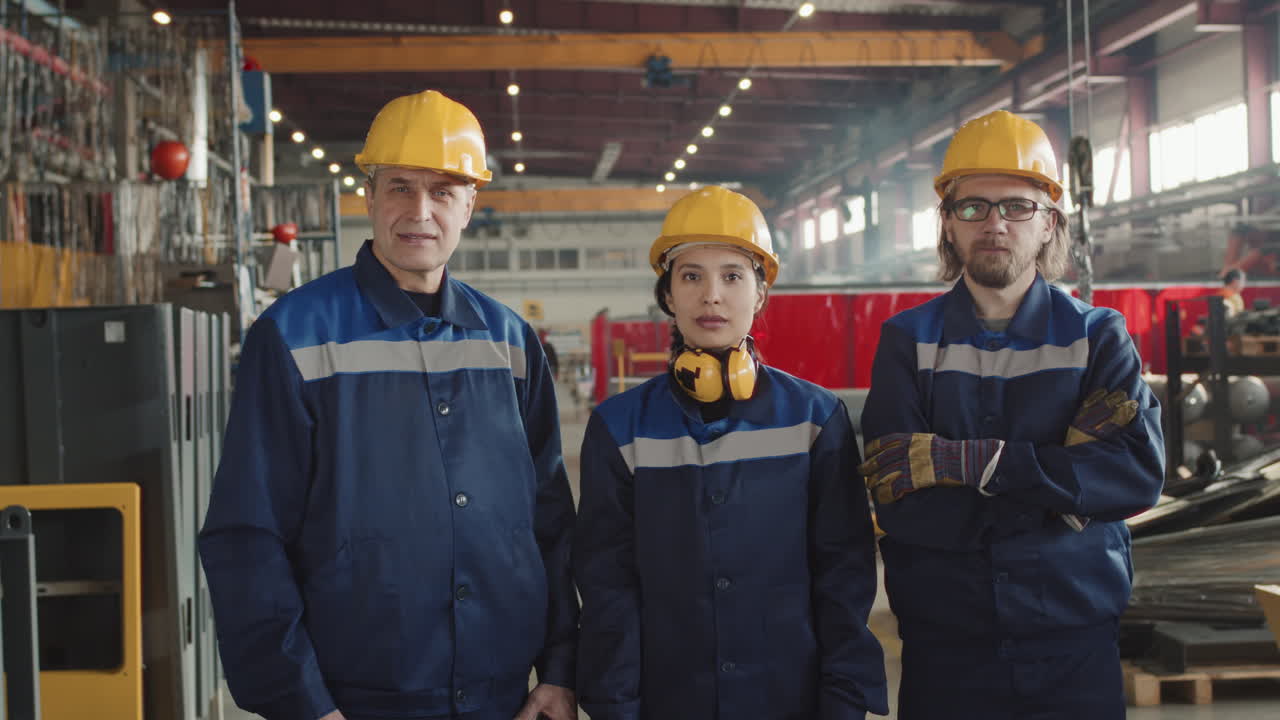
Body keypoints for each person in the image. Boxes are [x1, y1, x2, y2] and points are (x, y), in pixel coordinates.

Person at [199, 90, 578, 720]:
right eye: (400, 186)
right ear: (368, 195)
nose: (419, 212)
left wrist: (561, 669)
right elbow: (248, 532)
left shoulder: (508, 341)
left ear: (470, 206)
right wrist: (303, 702)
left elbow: (550, 519)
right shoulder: (296, 335)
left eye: (443, 191)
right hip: (354, 698)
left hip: (501, 695)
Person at [858, 110, 1164, 720]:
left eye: (1017, 207)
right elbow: (898, 495)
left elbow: (1134, 473)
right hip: (947, 643)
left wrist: (974, 463)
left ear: (1050, 224)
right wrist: (1060, 496)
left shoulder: (1097, 336)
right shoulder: (907, 342)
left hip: (1073, 635)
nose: (994, 223)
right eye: (973, 207)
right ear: (947, 223)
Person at [574, 186, 888, 720]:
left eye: (733, 276)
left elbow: (844, 575)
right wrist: (614, 705)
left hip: (790, 695)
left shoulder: (815, 419)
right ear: (668, 296)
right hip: (668, 698)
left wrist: (844, 699)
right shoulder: (619, 427)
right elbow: (608, 585)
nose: (711, 295)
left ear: (761, 293)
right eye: (691, 276)